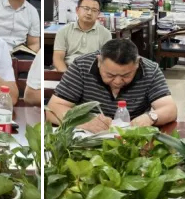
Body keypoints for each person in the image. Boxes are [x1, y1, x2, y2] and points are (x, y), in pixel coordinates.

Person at [47, 39, 177, 132]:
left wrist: (150, 117)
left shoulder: (150, 70)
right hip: (89, 137)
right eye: (110, 75)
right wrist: (82, 121)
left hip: (133, 138)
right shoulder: (81, 66)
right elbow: (53, 109)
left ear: (137, 63)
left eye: (126, 75)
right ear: (99, 61)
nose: (117, 81)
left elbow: (170, 109)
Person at [52, 0, 112, 72]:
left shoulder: (105, 34)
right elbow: (58, 58)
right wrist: (66, 75)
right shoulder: (63, 31)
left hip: (93, 72)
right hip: (69, 70)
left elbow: (106, 61)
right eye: (86, 8)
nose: (89, 13)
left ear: (98, 14)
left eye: (94, 10)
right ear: (77, 10)